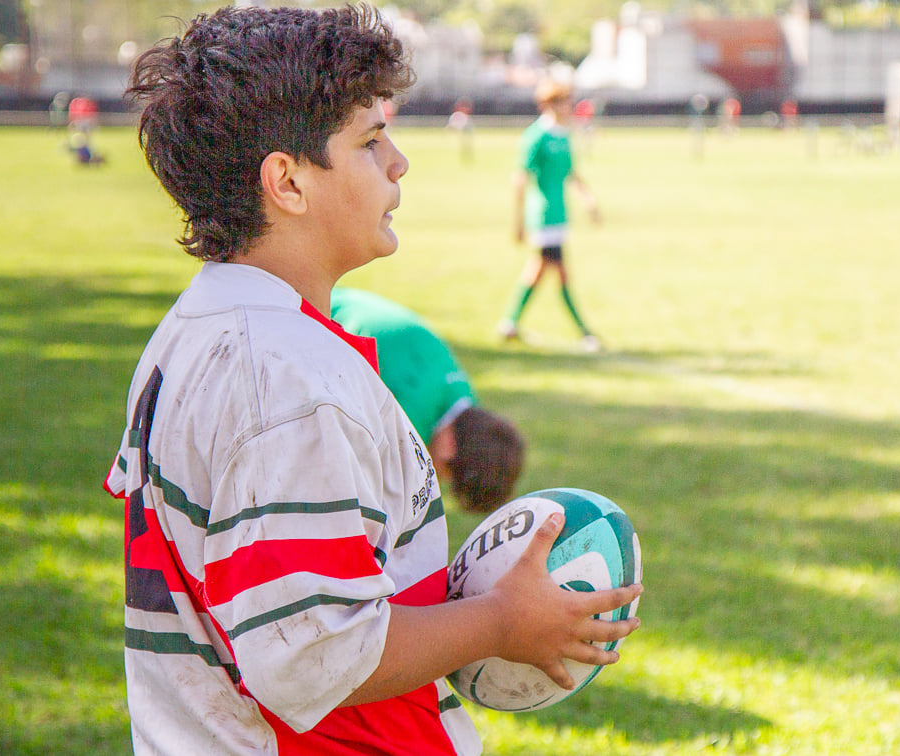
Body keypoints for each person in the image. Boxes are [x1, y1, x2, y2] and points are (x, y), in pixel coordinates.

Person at [103, 7, 641, 755]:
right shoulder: (284, 382)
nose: (399, 163)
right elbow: (314, 655)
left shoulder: (209, 328)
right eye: (369, 140)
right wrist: (499, 622)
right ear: (287, 182)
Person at [330, 286, 524, 514]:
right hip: (310, 311)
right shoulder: (410, 421)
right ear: (450, 448)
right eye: (445, 472)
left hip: (340, 297)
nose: (437, 477)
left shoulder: (464, 398)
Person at [498, 78, 602, 352]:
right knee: (561, 272)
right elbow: (520, 178)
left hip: (560, 214)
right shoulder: (537, 136)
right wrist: (519, 222)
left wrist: (589, 200)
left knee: (538, 271)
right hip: (542, 215)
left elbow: (570, 173)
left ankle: (509, 324)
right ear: (550, 104)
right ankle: (585, 332)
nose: (569, 106)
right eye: (565, 101)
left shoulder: (563, 135)